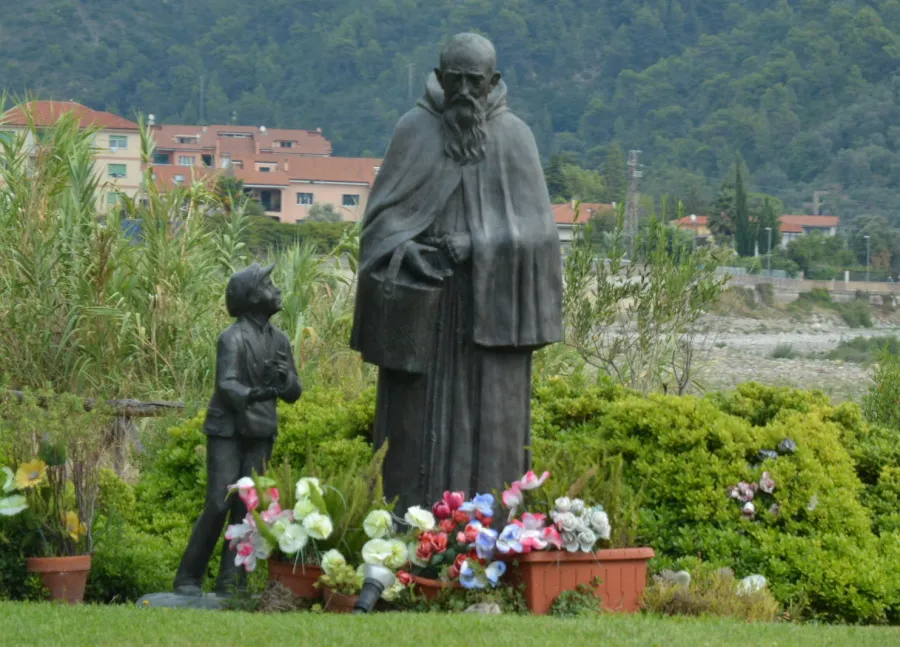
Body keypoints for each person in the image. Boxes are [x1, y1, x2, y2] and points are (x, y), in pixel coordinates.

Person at [351, 33, 563, 512]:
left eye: (476, 81)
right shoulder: (415, 131)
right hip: (424, 317)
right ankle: (408, 533)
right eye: (456, 80)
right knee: (412, 436)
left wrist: (478, 245)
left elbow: (541, 237)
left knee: (491, 432)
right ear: (441, 78)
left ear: (494, 82)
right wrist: (406, 251)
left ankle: (491, 538)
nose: (465, 91)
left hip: (491, 317)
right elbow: (379, 228)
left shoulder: (515, 138)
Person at [173, 262, 302, 596]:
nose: (276, 290)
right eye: (269, 285)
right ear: (252, 297)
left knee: (247, 507)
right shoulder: (231, 338)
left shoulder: (280, 340)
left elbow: (294, 392)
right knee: (218, 501)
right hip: (227, 431)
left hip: (259, 431)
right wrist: (258, 393)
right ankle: (188, 577)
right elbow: (227, 385)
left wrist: (285, 379)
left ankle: (232, 582)